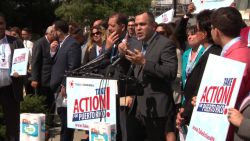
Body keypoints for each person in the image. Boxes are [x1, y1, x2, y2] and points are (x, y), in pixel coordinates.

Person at [125, 11, 177, 141]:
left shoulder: (165, 44)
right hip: (138, 106)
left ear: (153, 26)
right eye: (136, 25)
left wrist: (144, 62)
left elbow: (170, 73)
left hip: (157, 110)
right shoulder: (137, 43)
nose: (138, 28)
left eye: (142, 24)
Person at [176, 9, 222, 130]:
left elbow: (201, 86)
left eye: (197, 30)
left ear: (204, 33)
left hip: (197, 115)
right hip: (189, 107)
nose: (192, 35)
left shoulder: (213, 54)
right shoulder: (207, 52)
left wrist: (186, 112)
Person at [210, 7, 250, 141]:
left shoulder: (236, 59)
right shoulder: (238, 53)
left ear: (216, 31)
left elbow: (225, 103)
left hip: (232, 131)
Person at [50, 20, 81, 141]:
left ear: (58, 31)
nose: (52, 33)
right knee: (62, 117)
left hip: (65, 89)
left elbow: (73, 67)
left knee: (66, 121)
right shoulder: (60, 44)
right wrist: (52, 51)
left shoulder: (72, 44)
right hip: (57, 88)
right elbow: (56, 63)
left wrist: (65, 84)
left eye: (53, 30)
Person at [0, 12, 24, 141]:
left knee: (13, 125)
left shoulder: (16, 42)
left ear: (5, 24)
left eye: (1, 23)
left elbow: (23, 63)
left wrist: (20, 71)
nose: (0, 26)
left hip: (10, 89)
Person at [30, 26, 56, 130]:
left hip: (51, 78)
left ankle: (50, 122)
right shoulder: (39, 43)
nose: (55, 35)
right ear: (48, 33)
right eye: (54, 33)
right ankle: (42, 125)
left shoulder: (54, 43)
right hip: (41, 79)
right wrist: (34, 78)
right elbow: (35, 62)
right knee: (43, 102)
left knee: (51, 101)